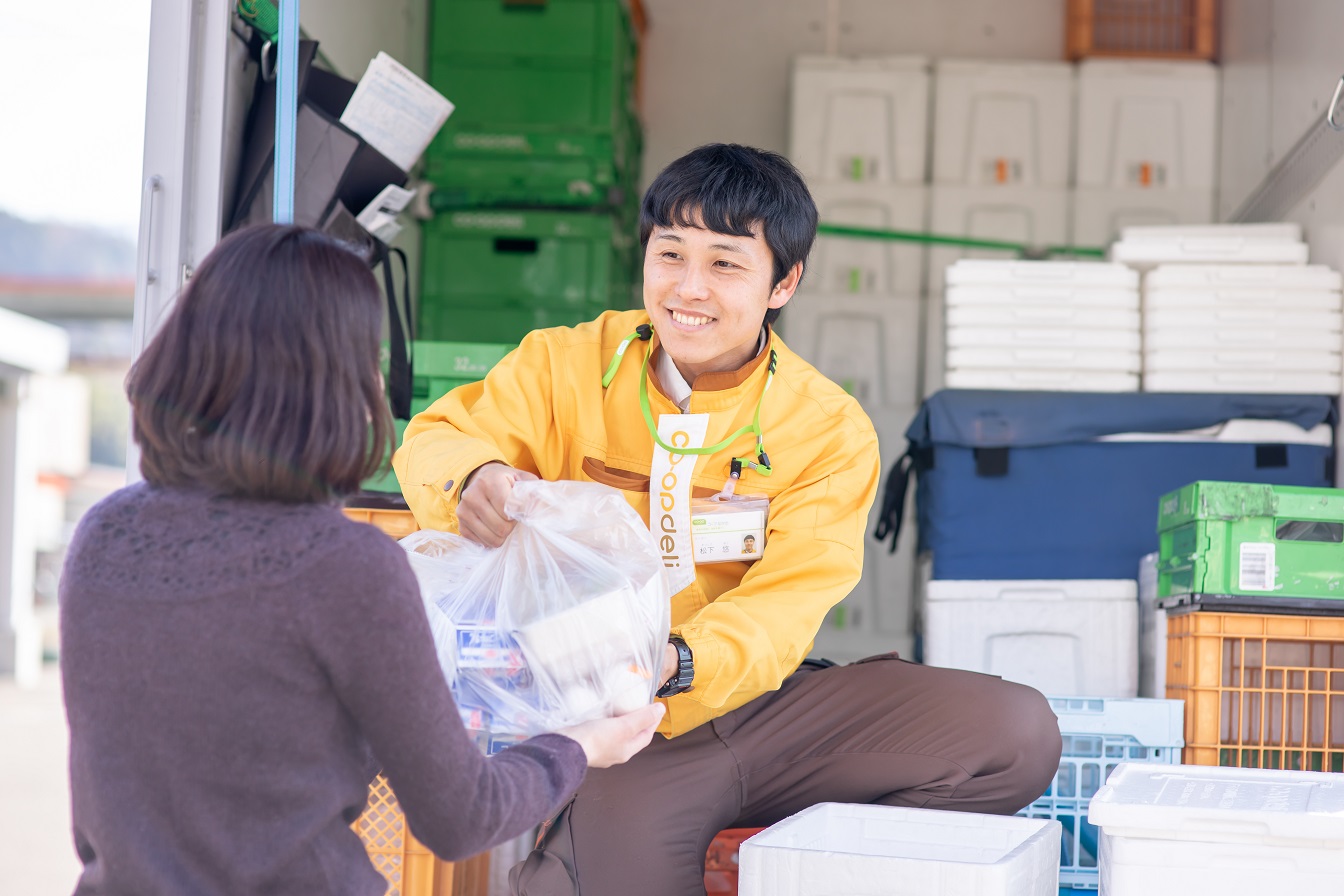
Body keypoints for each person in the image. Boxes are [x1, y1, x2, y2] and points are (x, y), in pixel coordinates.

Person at [395, 144, 1062, 896]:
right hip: (622, 735)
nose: (689, 289)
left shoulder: (826, 427)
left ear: (784, 282)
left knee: (1015, 736)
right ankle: (567, 859)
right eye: (670, 253)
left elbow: (787, 605)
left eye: (726, 264)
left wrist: (676, 663)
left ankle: (799, 863)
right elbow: (436, 438)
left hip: (768, 709)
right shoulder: (565, 366)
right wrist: (473, 477)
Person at [58, 224, 664, 896]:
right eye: (368, 356)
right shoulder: (344, 567)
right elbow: (464, 816)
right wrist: (580, 744)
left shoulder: (104, 535)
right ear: (334, 382)